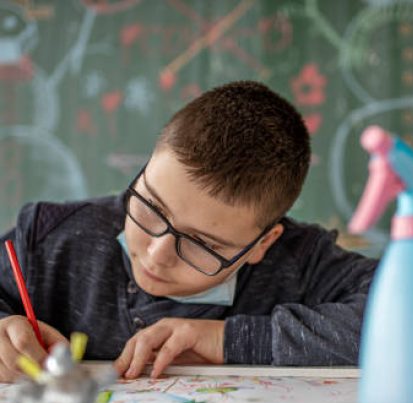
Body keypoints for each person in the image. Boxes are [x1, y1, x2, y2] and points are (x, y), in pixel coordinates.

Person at [0, 81, 377, 383]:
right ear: (145, 171)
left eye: (202, 243)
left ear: (262, 244)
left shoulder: (298, 262)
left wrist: (227, 340)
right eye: (151, 207)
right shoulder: (49, 237)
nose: (156, 254)